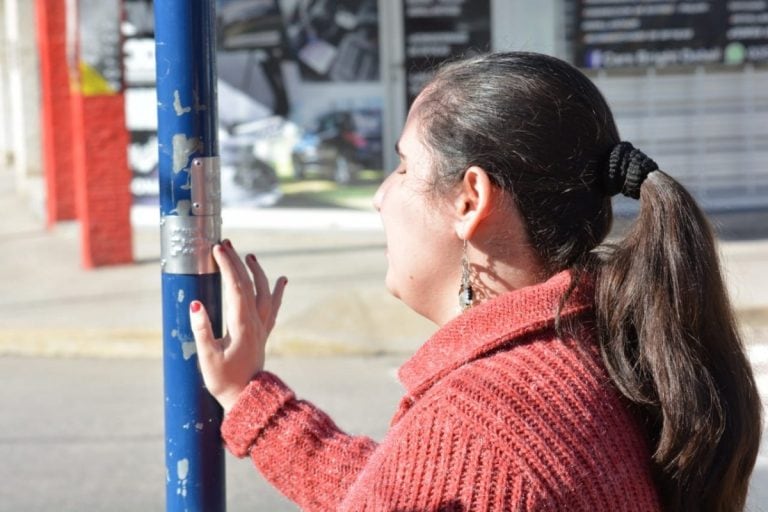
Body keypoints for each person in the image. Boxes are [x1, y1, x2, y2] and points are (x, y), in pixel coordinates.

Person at [189, 52, 762, 511]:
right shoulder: (594, 347)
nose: (380, 196)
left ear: (470, 198)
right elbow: (393, 488)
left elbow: (437, 473)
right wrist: (250, 397)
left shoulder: (477, 428)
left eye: (404, 167)